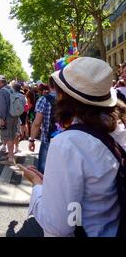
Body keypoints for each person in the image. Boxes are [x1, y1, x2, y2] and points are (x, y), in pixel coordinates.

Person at [19, 57, 124, 237]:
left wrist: (38, 186)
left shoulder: (68, 143)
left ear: (63, 97)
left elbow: (58, 225)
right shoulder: (120, 129)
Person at [28, 77, 58, 173]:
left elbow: (37, 123)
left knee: (43, 172)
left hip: (48, 139)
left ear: (49, 86)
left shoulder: (43, 100)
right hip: (67, 140)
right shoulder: (69, 99)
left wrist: (32, 140)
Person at [0, 75, 18, 166]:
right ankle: (10, 154)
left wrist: (2, 118)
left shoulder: (1, 92)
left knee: (8, 137)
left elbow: (2, 107)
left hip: (7, 117)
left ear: (0, 82)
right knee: (12, 136)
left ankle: (11, 159)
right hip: (14, 116)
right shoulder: (10, 89)